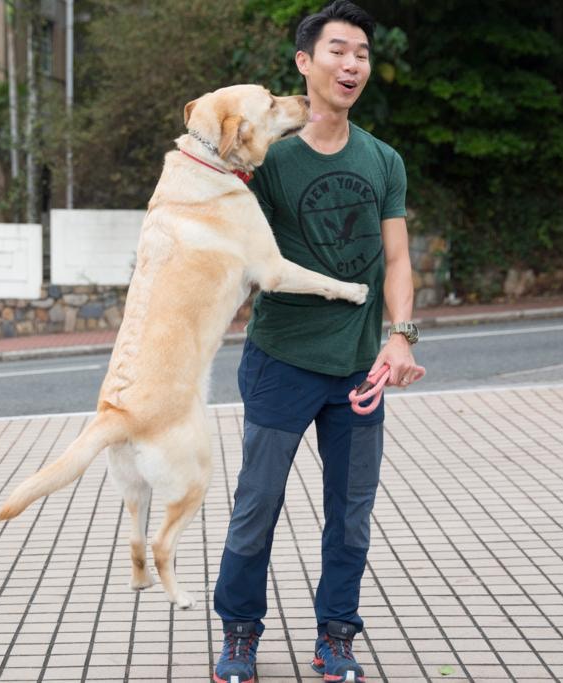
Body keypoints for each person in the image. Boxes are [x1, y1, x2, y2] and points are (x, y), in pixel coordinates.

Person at [211, 2, 423, 682]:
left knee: (351, 516)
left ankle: (337, 636)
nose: (352, 63)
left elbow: (396, 259)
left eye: (361, 52)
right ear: (305, 63)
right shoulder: (270, 159)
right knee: (257, 504)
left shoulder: (384, 159)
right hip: (281, 361)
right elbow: (231, 238)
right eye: (337, 50)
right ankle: (240, 632)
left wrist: (401, 337)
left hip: (360, 370)